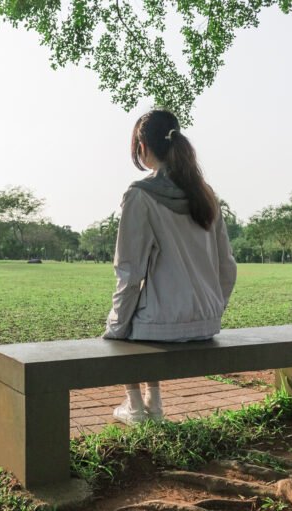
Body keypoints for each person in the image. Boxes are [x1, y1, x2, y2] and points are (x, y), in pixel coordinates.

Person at [103, 109, 238, 425]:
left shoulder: (140, 195)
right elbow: (227, 265)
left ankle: (136, 406)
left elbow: (129, 272)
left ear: (142, 146)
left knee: (126, 326)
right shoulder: (205, 194)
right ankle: (155, 403)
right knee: (143, 318)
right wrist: (214, 307)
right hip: (207, 321)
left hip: (165, 323)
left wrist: (114, 327)